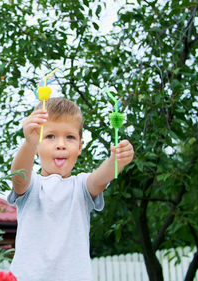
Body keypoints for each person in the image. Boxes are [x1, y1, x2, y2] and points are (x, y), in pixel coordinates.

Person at [7, 97, 134, 281]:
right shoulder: (32, 185)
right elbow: (18, 177)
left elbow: (100, 179)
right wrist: (28, 143)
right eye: (50, 136)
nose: (61, 144)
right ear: (37, 145)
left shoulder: (81, 186)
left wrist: (116, 162)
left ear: (80, 146)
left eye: (70, 137)